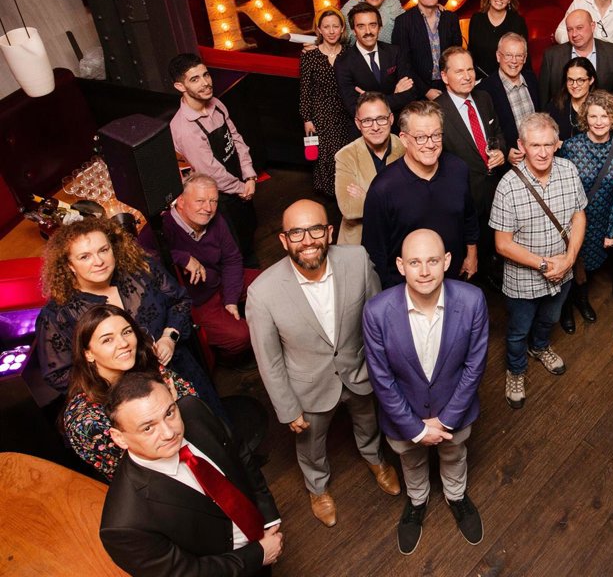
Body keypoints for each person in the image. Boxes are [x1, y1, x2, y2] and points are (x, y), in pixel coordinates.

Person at [246, 199, 398, 527]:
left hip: (359, 371)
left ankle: (375, 458)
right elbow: (269, 361)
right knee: (311, 445)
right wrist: (288, 408)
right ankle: (317, 486)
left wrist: (384, 373)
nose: (308, 241)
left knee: (368, 422)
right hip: (308, 388)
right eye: (296, 233)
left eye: (315, 229)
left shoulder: (357, 260)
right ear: (284, 240)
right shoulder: (262, 293)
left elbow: (378, 321)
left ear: (329, 232)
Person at [362, 229, 488, 555]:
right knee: (411, 460)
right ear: (401, 265)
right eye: (415, 262)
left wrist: (446, 421)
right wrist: (416, 429)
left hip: (455, 413)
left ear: (447, 261)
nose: (424, 271)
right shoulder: (376, 312)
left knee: (454, 454)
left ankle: (456, 495)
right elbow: (381, 378)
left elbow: (474, 366)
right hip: (404, 418)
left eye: (432, 261)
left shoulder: (473, 301)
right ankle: (417, 500)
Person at [99, 373, 283, 576]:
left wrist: (268, 516)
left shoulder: (193, 410)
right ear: (119, 438)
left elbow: (239, 454)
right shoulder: (124, 525)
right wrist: (258, 555)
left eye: (169, 413)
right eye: (148, 428)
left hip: (265, 538)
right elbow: (186, 573)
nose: (169, 433)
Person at [36, 217, 221, 416]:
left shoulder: (142, 270)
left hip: (179, 369)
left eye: (103, 250)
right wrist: (117, 376)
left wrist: (170, 337)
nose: (99, 261)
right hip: (129, 402)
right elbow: (59, 375)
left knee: (209, 423)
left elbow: (180, 301)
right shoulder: (57, 316)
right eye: (84, 257)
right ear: (69, 265)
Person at [491, 113, 586, 409]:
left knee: (549, 319)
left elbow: (578, 216)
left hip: (564, 271)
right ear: (522, 146)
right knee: (518, 330)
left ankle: (540, 347)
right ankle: (516, 370)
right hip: (524, 279)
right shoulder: (508, 185)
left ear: (557, 144)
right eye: (535, 145)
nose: (543, 153)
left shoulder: (569, 170)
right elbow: (502, 244)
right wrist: (545, 265)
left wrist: (569, 260)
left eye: (548, 144)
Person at [62, 305, 196, 480]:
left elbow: (194, 408)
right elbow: (133, 472)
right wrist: (171, 404)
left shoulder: (150, 369)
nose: (124, 344)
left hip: (194, 459)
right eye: (107, 340)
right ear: (88, 354)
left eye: (126, 332)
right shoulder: (85, 419)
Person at [362, 101, 479, 287]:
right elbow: (375, 252)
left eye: (436, 135)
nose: (430, 144)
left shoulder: (458, 169)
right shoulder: (383, 188)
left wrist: (471, 255)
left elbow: (469, 218)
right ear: (404, 139)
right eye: (421, 137)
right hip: (404, 287)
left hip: (453, 279)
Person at [168, 53, 259, 266]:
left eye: (206, 75)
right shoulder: (184, 129)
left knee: (249, 231)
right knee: (234, 249)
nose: (206, 82)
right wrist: (242, 188)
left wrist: (249, 175)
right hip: (219, 195)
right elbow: (210, 172)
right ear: (180, 86)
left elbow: (235, 139)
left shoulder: (216, 103)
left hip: (240, 184)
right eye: (195, 79)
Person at [160, 173, 255, 360]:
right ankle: (224, 356)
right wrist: (181, 257)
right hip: (197, 301)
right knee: (242, 336)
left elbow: (232, 259)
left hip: (219, 280)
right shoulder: (163, 227)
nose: (209, 208)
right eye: (200, 201)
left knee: (271, 284)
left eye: (213, 201)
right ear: (180, 201)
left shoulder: (216, 220)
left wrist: (231, 299)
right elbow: (142, 256)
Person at [560, 92, 613, 331]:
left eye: (604, 116)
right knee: (566, 264)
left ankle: (581, 300)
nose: (599, 122)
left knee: (587, 266)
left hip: (600, 222)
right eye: (593, 116)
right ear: (585, 118)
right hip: (570, 221)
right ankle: (565, 308)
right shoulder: (571, 147)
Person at [436, 47, 507, 230]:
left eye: (470, 69)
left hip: (495, 195)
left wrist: (501, 151)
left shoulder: (484, 98)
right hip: (462, 202)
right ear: (444, 77)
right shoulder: (436, 112)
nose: (467, 77)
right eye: (459, 71)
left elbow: (498, 133)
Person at [300, 8, 357, 200]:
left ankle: (349, 190)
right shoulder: (309, 57)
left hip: (347, 113)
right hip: (322, 115)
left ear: (342, 29)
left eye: (335, 26)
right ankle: (332, 194)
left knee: (348, 153)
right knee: (327, 156)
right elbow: (305, 90)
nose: (331, 31)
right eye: (326, 27)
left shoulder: (350, 54)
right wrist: (307, 119)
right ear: (319, 30)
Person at [333, 92, 403, 245]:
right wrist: (393, 203)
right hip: (359, 241)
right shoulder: (345, 156)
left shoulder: (405, 148)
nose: (375, 127)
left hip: (398, 239)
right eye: (367, 121)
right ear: (358, 124)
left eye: (381, 119)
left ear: (391, 119)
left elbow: (414, 202)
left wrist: (367, 197)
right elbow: (349, 209)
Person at [335, 2, 417, 117]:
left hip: (397, 122)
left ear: (380, 27)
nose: (368, 31)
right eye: (361, 26)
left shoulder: (395, 52)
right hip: (366, 125)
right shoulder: (343, 62)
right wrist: (395, 95)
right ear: (353, 30)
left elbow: (410, 94)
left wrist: (368, 101)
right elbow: (353, 107)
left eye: (373, 25)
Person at [393, 0, 464, 100]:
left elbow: (457, 56)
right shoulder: (403, 22)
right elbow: (403, 64)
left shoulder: (451, 18)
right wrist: (425, 91)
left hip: (450, 88)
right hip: (418, 92)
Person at [540, 9, 613, 104]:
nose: (574, 34)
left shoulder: (612, 52)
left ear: (592, 26)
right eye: (570, 29)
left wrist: (604, 106)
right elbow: (543, 96)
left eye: (579, 28)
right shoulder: (552, 56)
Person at [480, 32, 541, 162]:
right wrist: (505, 151)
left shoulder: (531, 79)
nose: (514, 61)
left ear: (525, 58)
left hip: (537, 156)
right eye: (508, 55)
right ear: (498, 56)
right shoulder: (485, 89)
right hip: (510, 165)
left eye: (519, 56)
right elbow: (484, 131)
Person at [467, 0, 528, 79]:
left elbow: (523, 56)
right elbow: (471, 52)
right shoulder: (476, 19)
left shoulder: (517, 22)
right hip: (479, 80)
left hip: (507, 80)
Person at [547, 56, 595, 137]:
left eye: (580, 80)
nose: (574, 85)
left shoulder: (601, 106)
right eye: (570, 80)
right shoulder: (555, 106)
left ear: (591, 80)